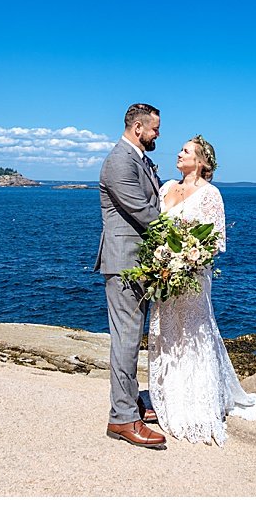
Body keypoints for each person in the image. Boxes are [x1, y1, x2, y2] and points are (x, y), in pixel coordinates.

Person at [148, 135, 256, 445]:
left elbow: (217, 242)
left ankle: (197, 402)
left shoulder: (210, 194)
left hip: (193, 276)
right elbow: (154, 229)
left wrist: (186, 259)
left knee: (194, 332)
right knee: (166, 333)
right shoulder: (166, 187)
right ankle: (168, 396)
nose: (179, 153)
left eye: (185, 151)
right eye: (181, 150)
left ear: (201, 161)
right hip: (163, 273)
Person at [96, 103, 167, 449]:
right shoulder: (119, 161)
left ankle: (130, 401)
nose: (158, 134)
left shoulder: (139, 159)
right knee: (125, 339)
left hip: (137, 262)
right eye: (155, 129)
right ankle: (122, 419)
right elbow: (143, 211)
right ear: (138, 128)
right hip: (124, 263)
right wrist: (181, 235)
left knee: (130, 338)